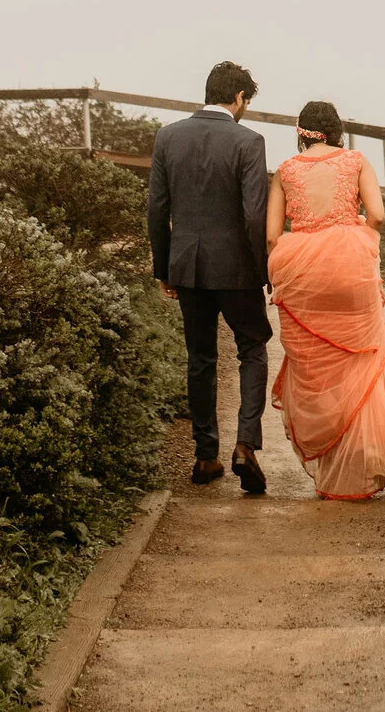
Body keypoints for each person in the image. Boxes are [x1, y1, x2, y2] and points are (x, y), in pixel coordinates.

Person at [265, 99, 385, 499]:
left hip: (301, 272)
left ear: (301, 133)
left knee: (315, 364)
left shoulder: (285, 171)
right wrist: (357, 235)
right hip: (351, 266)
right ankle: (367, 460)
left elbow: (272, 236)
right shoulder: (356, 161)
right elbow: (378, 216)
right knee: (361, 359)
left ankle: (332, 466)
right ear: (336, 131)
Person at [149, 60, 273, 494]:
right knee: (252, 349)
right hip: (238, 269)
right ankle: (245, 446)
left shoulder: (168, 137)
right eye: (246, 101)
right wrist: (263, 270)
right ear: (238, 98)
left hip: (188, 267)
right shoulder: (249, 141)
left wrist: (164, 268)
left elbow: (157, 210)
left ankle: (205, 456)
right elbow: (254, 215)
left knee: (200, 358)